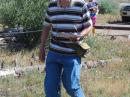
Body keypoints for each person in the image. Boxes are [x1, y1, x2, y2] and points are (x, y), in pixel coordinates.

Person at [39, 0, 92, 97]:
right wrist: (41, 47)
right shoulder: (52, 6)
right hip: (54, 53)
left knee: (72, 86)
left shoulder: (81, 5)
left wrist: (80, 35)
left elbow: (89, 26)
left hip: (73, 54)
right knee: (50, 89)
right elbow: (46, 26)